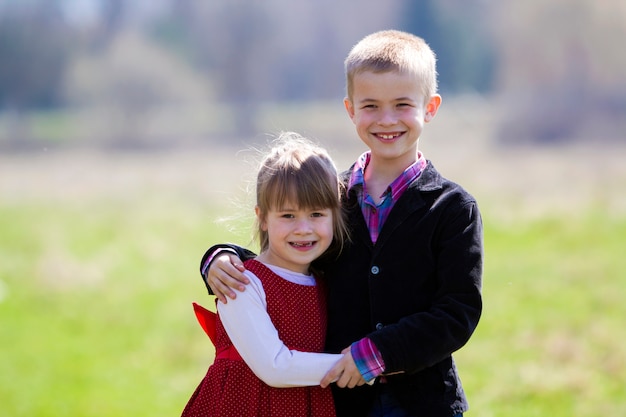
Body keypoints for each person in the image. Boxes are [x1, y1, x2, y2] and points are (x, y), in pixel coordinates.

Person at [201, 30, 483, 417]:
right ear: (350, 109)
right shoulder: (331, 199)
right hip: (343, 404)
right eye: (371, 106)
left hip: (424, 401)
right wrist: (222, 257)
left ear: (430, 107)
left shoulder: (453, 209)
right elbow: (291, 254)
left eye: (402, 105)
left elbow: (457, 313)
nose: (386, 120)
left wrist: (375, 354)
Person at [181, 132, 354, 417]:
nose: (303, 228)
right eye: (288, 216)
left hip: (306, 405)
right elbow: (274, 366)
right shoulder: (241, 282)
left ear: (334, 215)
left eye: (316, 214)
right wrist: (357, 366)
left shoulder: (326, 281)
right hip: (244, 406)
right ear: (262, 217)